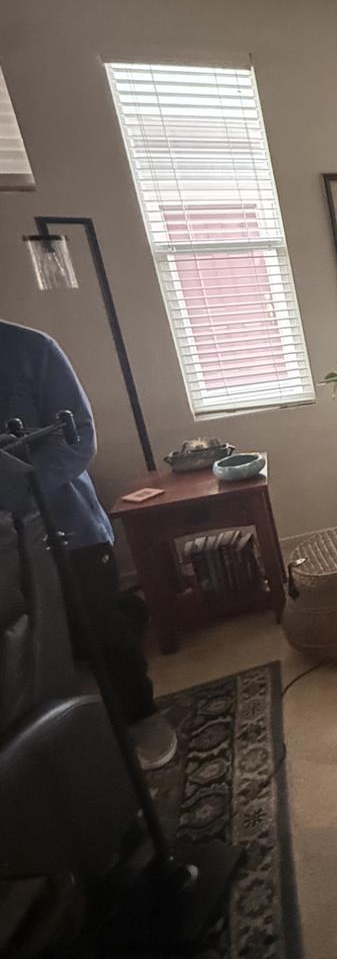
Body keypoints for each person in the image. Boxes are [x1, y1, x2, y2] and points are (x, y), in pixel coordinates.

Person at [0, 319, 176, 770]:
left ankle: (143, 717)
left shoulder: (31, 349)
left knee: (99, 631)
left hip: (65, 528)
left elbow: (77, 439)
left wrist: (17, 495)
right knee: (31, 651)